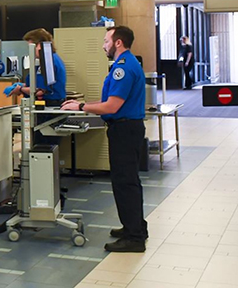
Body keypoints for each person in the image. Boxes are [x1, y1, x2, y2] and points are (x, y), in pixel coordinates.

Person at [61, 26, 148, 252]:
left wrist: (81, 106)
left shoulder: (123, 68)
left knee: (124, 182)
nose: (103, 45)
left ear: (118, 42)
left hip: (125, 130)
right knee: (129, 180)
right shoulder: (128, 64)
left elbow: (112, 105)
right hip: (128, 128)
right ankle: (135, 226)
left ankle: (134, 238)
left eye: (106, 40)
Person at [9, 28, 66, 107]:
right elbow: (38, 83)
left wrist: (20, 89)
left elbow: (39, 91)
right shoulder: (51, 59)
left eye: (30, 47)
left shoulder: (48, 61)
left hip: (49, 105)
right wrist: (23, 85)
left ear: (39, 45)